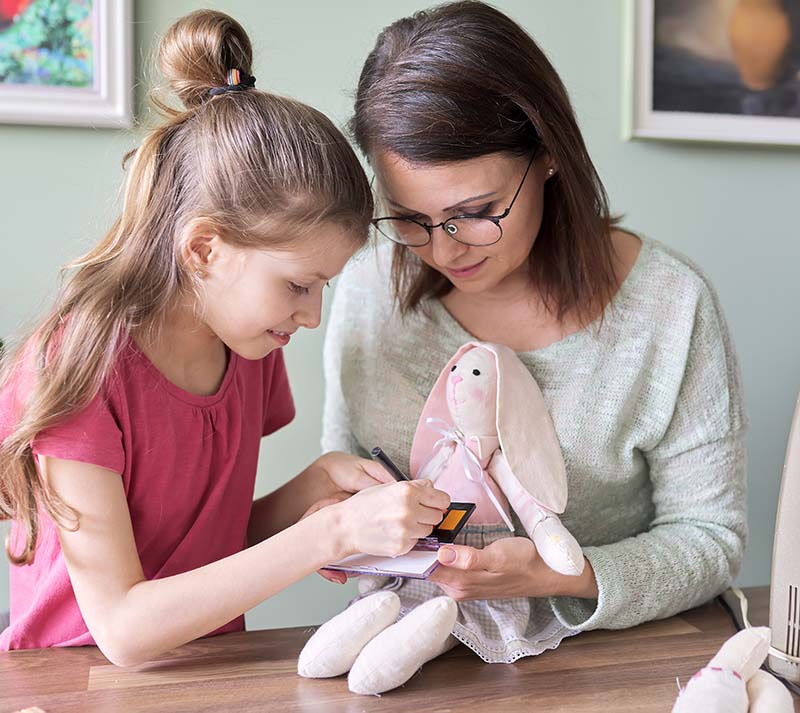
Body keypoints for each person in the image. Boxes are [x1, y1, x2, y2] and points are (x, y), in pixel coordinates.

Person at [311, 0, 747, 690]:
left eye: (475, 213)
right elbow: (339, 481)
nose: (443, 249)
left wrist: (554, 573)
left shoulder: (668, 306)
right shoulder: (369, 290)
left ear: (547, 154)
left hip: (606, 672)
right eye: (410, 219)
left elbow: (711, 539)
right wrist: (335, 528)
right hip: (405, 666)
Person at [0, 10, 450, 664]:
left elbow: (200, 545)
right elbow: (123, 628)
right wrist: (328, 532)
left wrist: (312, 489)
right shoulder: (78, 367)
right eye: (300, 284)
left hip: (205, 672)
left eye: (323, 286)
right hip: (73, 681)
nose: (313, 315)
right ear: (204, 249)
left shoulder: (250, 346)